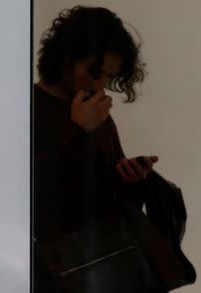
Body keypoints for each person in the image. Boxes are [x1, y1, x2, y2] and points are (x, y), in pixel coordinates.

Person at [33, 6, 165, 292]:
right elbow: (34, 197)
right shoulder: (28, 107)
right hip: (55, 274)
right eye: (94, 71)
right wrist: (80, 131)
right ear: (67, 57)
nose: (98, 84)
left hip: (104, 267)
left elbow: (105, 194)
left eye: (107, 76)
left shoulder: (96, 112)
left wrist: (132, 180)